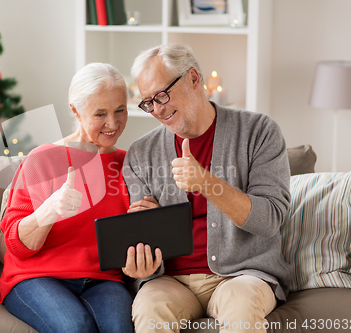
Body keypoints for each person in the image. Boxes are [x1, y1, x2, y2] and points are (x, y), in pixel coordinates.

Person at [121, 43, 293, 333]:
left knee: (241, 312)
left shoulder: (259, 132)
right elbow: (141, 243)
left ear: (193, 78)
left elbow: (271, 219)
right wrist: (141, 262)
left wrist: (207, 183)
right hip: (169, 281)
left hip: (242, 275)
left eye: (162, 95)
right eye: (148, 102)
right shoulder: (140, 154)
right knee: (149, 311)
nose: (158, 110)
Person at [0, 63, 134, 333]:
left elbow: (135, 235)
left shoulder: (129, 163)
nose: (113, 123)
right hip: (36, 277)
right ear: (75, 111)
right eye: (100, 114)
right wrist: (48, 211)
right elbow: (16, 245)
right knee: (75, 327)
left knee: (120, 328)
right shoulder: (42, 158)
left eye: (120, 110)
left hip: (102, 279)